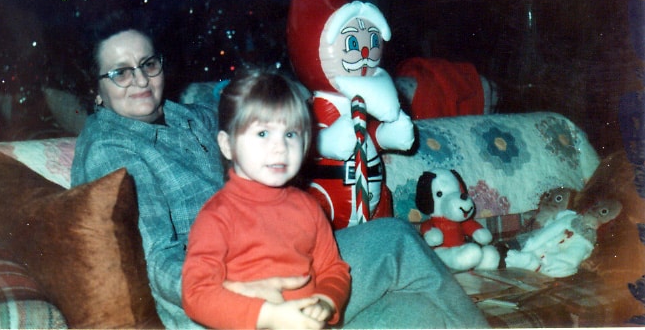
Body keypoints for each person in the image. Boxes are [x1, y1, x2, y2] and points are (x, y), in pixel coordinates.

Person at [71, 22, 489, 329]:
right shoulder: (112, 149)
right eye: (120, 72)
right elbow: (156, 253)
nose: (140, 79)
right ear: (95, 89)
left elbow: (261, 112)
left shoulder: (185, 117)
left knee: (415, 314)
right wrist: (236, 290)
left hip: (280, 262)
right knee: (395, 239)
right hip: (220, 300)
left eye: (147, 63)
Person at [182, 69, 351, 329]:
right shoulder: (216, 216)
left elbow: (333, 268)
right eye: (262, 133)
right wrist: (270, 316)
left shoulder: (308, 207)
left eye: (290, 134)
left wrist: (326, 301)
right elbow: (196, 294)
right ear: (227, 146)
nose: (279, 147)